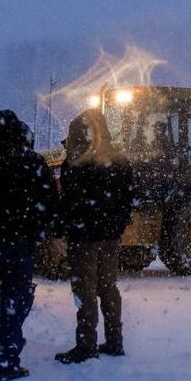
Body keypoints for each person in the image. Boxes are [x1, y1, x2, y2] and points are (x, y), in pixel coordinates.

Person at [0, 110, 57, 381]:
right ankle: (7, 361)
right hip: (19, 246)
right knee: (13, 304)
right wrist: (36, 235)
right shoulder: (32, 162)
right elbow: (49, 204)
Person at [55, 109, 134, 364]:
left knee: (85, 290)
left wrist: (62, 229)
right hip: (109, 237)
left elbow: (68, 201)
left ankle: (86, 344)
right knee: (108, 288)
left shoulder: (75, 164)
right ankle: (114, 340)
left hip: (83, 238)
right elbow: (128, 199)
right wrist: (117, 226)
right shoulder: (119, 162)